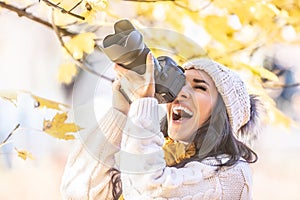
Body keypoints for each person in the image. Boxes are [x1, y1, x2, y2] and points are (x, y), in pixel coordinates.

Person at [61, 53, 261, 200]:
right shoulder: (157, 157)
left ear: (223, 115)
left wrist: (143, 104)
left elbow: (150, 192)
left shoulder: (233, 175)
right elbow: (78, 192)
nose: (181, 93)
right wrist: (120, 112)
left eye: (199, 87)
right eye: (179, 84)